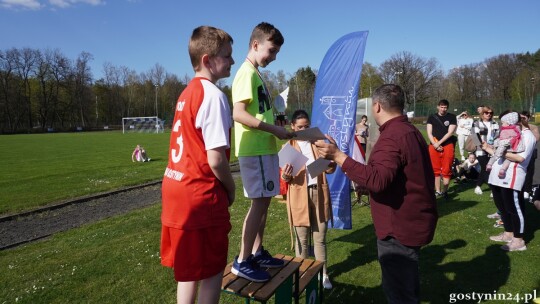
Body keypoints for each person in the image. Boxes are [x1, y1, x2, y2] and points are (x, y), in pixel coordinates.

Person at [315, 84, 438, 304]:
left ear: (377, 106)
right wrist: (369, 184)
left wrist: (338, 156)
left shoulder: (392, 136)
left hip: (399, 229)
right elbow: (392, 177)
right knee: (406, 287)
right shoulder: (409, 131)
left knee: (399, 293)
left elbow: (378, 180)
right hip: (411, 221)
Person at [160, 26, 236, 304]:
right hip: (199, 194)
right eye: (227, 56)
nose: (232, 61)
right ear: (207, 60)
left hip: (175, 189)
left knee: (188, 271)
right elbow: (215, 159)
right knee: (212, 271)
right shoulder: (213, 95)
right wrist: (231, 189)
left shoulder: (186, 93)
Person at [230, 22, 294, 282]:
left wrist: (276, 125)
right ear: (256, 44)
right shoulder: (246, 72)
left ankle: (256, 252)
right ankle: (242, 260)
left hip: (264, 146)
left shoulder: (256, 73)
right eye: (271, 50)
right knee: (259, 202)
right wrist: (272, 129)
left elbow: (256, 112)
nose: (274, 57)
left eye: (277, 52)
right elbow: (238, 113)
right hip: (253, 148)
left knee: (265, 200)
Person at [280, 109, 336, 290]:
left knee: (320, 239)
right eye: (300, 127)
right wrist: (286, 176)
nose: (304, 130)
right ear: (293, 127)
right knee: (302, 241)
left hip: (318, 194)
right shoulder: (287, 148)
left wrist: (332, 160)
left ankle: (323, 274)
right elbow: (284, 179)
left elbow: (329, 170)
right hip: (298, 197)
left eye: (306, 126)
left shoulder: (317, 144)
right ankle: (302, 275)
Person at [484, 111, 536, 251]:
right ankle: (508, 233)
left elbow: (520, 158)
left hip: (511, 177)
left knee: (514, 209)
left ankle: (519, 241)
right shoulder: (508, 133)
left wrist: (497, 150)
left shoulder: (527, 135)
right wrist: (494, 150)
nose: (503, 125)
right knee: (502, 207)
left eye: (504, 122)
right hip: (497, 176)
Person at [426, 99, 457, 199]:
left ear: (447, 107)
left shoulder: (452, 117)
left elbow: (450, 132)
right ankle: (438, 191)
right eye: (441, 107)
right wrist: (435, 144)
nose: (443, 109)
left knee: (447, 169)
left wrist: (438, 143)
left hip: (447, 145)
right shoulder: (431, 117)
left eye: (445, 107)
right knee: (435, 170)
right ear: (438, 106)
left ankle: (445, 191)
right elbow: (429, 132)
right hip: (433, 145)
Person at [486, 112, 524, 178]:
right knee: (509, 159)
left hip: (504, 146)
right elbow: (519, 135)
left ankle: (489, 164)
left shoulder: (505, 130)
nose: (502, 124)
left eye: (503, 123)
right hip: (512, 147)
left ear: (508, 123)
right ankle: (503, 169)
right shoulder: (516, 128)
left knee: (496, 155)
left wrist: (497, 145)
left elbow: (502, 141)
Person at [472, 106, 499, 196]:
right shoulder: (476, 123)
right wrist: (482, 146)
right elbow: (474, 136)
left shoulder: (495, 123)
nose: (489, 114)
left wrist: (492, 145)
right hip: (480, 149)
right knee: (486, 168)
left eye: (491, 113)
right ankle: (494, 189)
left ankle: (478, 186)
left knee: (487, 168)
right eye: (487, 113)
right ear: (482, 114)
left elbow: (497, 135)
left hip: (492, 148)